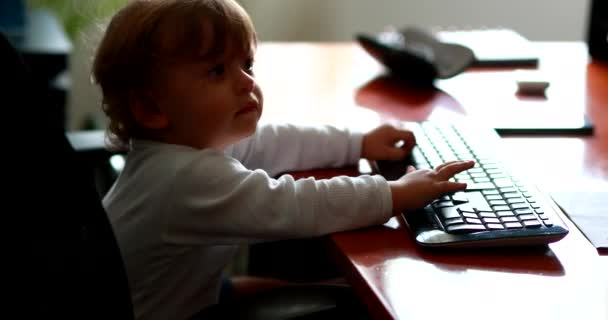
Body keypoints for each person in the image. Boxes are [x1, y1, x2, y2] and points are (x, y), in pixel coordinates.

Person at [92, 0, 475, 319]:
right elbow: (293, 206)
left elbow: (273, 142)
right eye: (216, 70)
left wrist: (357, 144)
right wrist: (394, 194)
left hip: (181, 297)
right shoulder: (185, 178)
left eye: (247, 64)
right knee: (344, 303)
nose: (245, 81)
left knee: (299, 291)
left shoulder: (184, 147)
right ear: (151, 107)